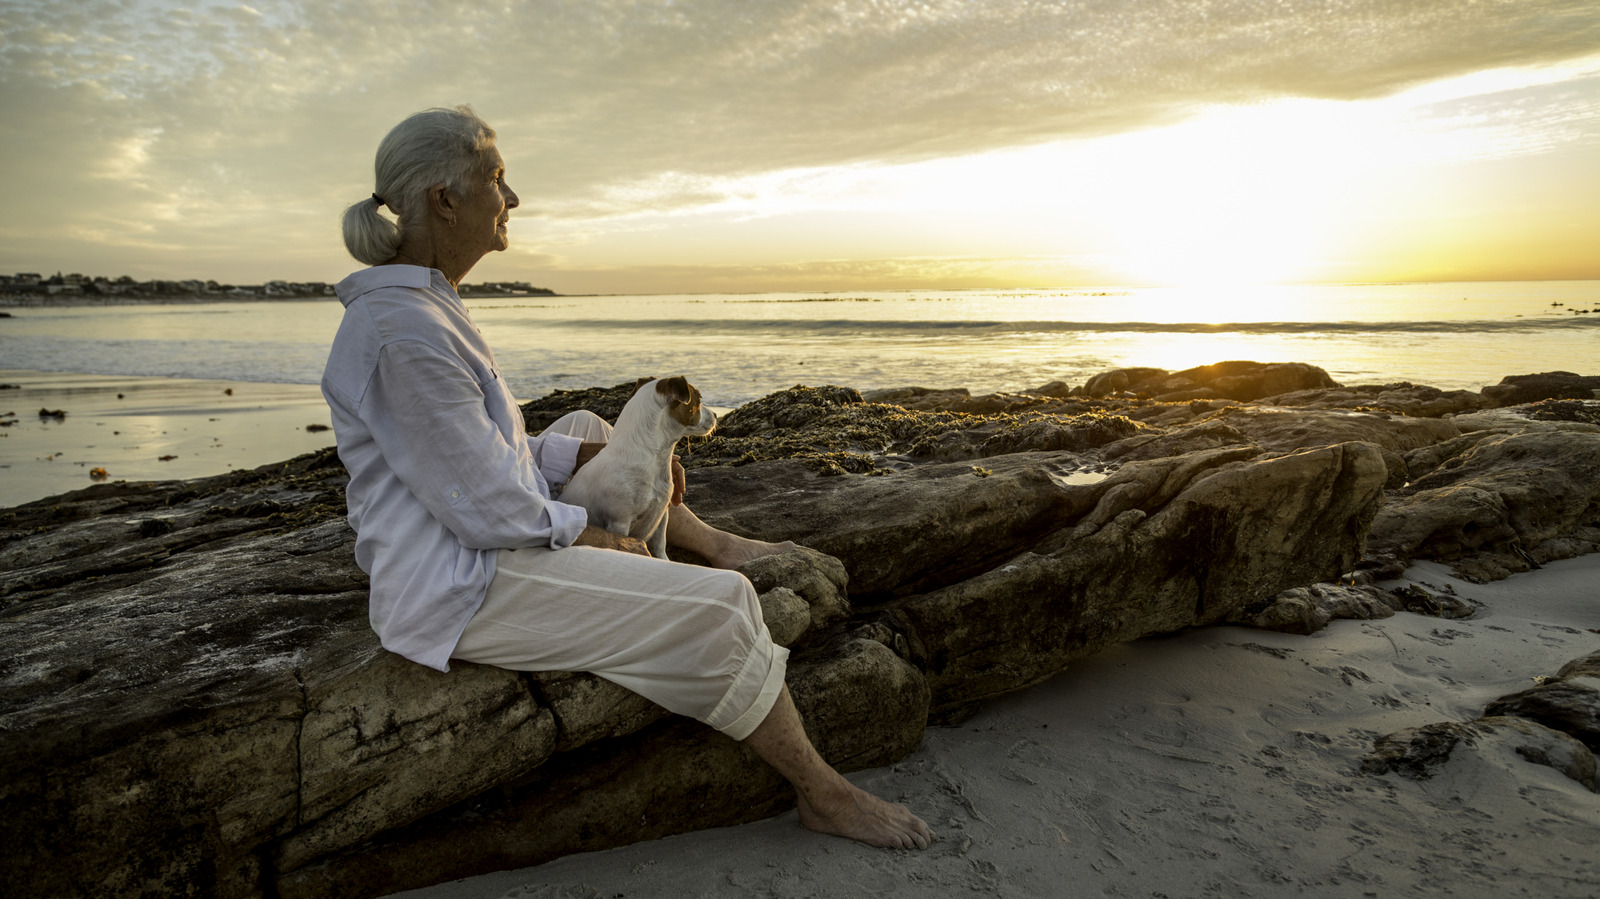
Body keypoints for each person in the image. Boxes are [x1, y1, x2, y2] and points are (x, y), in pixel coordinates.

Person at [322, 106, 932, 850]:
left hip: (472, 530)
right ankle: (822, 792)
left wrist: (569, 461)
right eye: (496, 180)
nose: (511, 200)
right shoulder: (402, 333)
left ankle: (711, 538)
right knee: (724, 605)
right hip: (459, 582)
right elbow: (482, 506)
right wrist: (600, 538)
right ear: (443, 200)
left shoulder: (426, 305)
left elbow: (481, 453)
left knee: (589, 429)